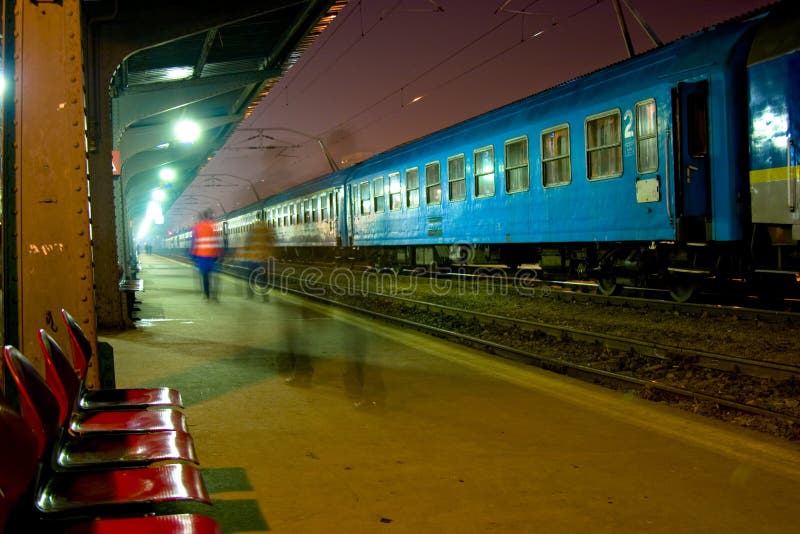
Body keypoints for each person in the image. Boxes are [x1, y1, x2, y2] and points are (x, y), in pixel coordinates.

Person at [238, 214, 275, 300]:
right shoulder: (267, 229)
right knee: (263, 279)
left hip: (253, 258)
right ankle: (265, 297)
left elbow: (246, 244)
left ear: (257, 219)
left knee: (250, 277)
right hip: (264, 258)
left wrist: (244, 254)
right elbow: (272, 242)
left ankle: (250, 295)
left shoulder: (253, 229)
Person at [190, 209, 223, 300]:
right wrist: (219, 254)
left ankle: (207, 294)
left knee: (205, 275)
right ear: (208, 216)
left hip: (202, 255)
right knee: (214, 275)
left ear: (201, 217)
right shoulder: (213, 226)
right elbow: (217, 241)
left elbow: (194, 242)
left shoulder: (197, 227)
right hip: (212, 255)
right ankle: (215, 294)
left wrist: (192, 255)